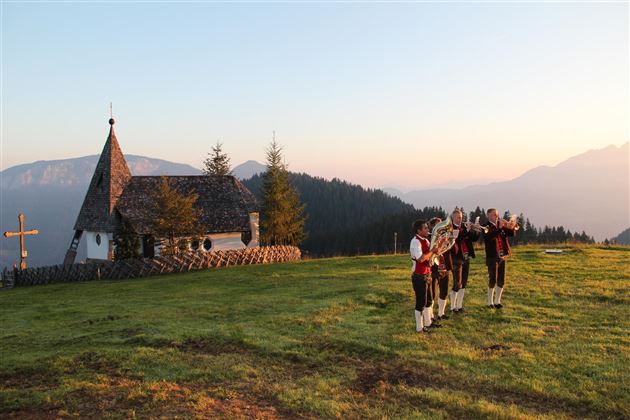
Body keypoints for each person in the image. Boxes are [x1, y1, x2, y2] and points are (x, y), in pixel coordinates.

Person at [410, 219, 442, 332]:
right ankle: (419, 328)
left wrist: (438, 248)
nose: (428, 230)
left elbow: (430, 256)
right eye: (425, 228)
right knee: (421, 302)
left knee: (429, 300)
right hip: (419, 276)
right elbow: (421, 258)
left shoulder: (426, 241)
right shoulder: (415, 242)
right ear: (418, 230)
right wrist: (433, 250)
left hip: (427, 274)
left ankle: (428, 323)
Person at [482, 208, 516, 309]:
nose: (496, 217)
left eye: (497, 214)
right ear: (488, 215)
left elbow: (512, 234)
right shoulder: (485, 226)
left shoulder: (500, 225)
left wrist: (512, 225)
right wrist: (500, 228)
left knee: (501, 279)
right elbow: (489, 237)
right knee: (493, 279)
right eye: (494, 215)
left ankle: (497, 301)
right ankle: (489, 302)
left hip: (503, 255)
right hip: (492, 256)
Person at [449, 208, 480, 313]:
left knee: (464, 283)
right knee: (457, 283)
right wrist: (466, 230)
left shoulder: (463, 227)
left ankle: (459, 305)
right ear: (453, 218)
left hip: (466, 257)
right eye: (458, 217)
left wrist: (476, 229)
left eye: (461, 217)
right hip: (456, 259)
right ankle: (453, 307)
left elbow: (474, 239)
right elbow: (458, 239)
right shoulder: (450, 228)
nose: (460, 219)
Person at [429, 217, 453, 321]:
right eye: (439, 225)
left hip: (444, 267)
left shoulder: (445, 236)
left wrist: (449, 241)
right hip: (434, 269)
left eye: (442, 225)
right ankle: (430, 316)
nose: (442, 227)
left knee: (444, 291)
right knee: (432, 293)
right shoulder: (430, 237)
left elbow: (448, 249)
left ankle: (441, 313)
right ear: (433, 227)